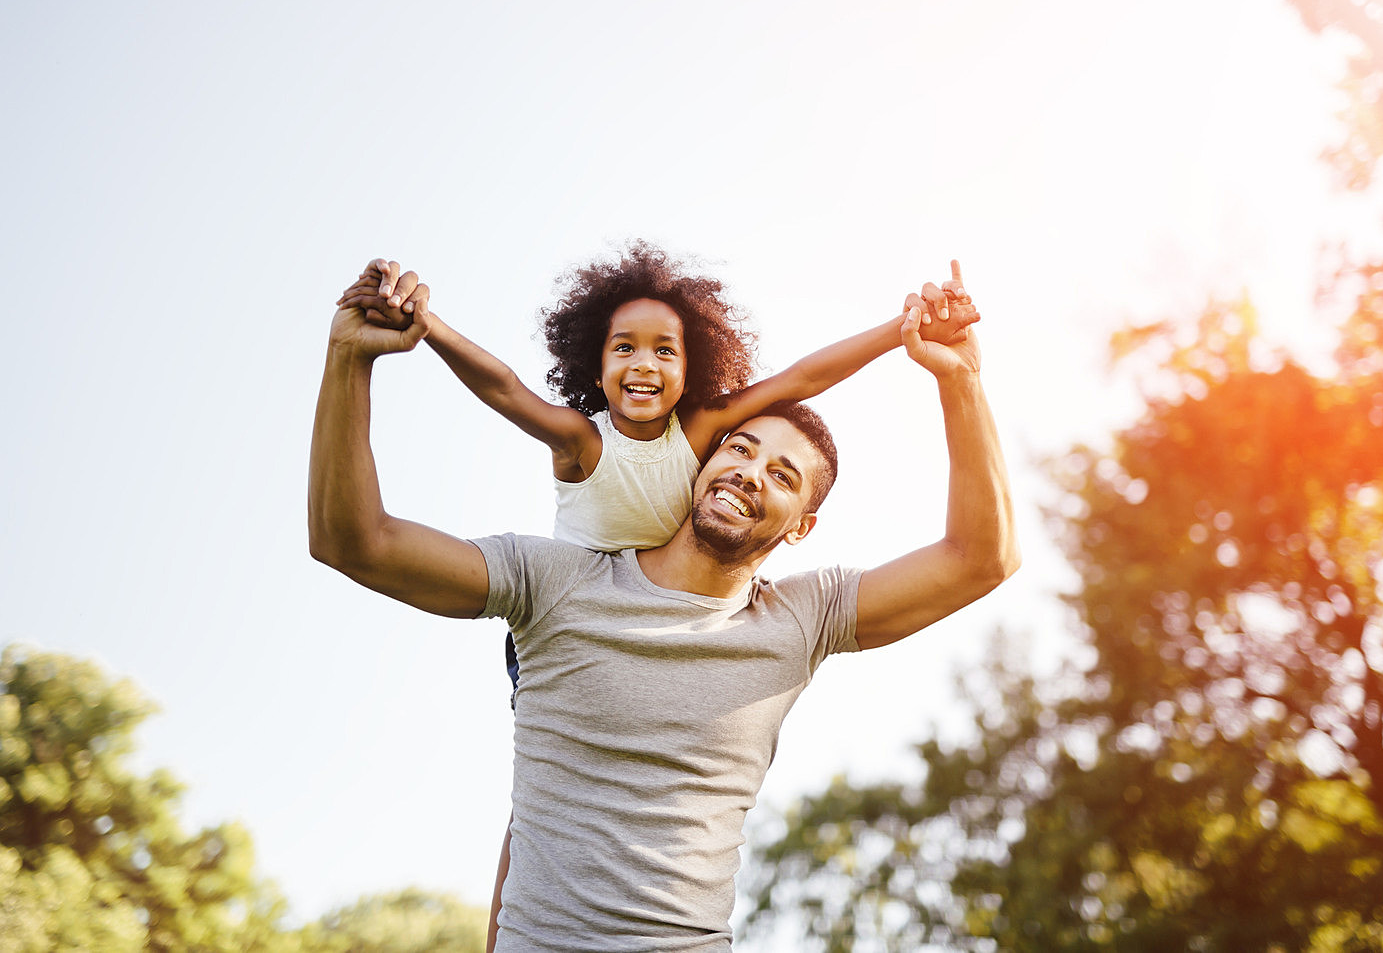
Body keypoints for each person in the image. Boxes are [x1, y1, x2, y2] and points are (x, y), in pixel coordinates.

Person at [308, 259, 1020, 952]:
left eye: (781, 473)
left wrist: (961, 380)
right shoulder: (554, 581)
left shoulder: (803, 619)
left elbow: (980, 558)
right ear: (703, 460)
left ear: (802, 524)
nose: (748, 471)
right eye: (740, 448)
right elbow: (354, 540)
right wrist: (350, 360)